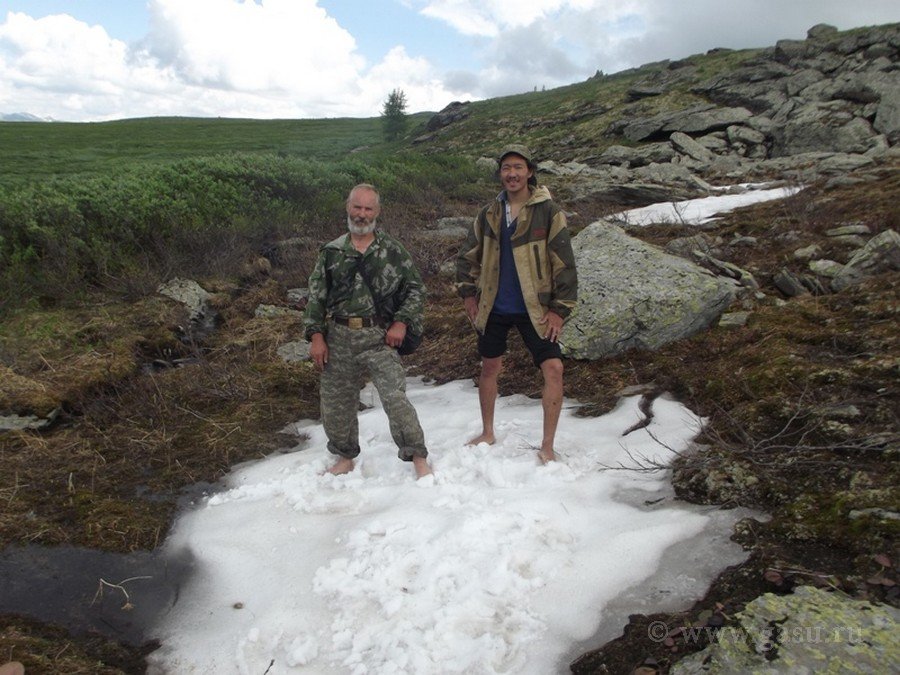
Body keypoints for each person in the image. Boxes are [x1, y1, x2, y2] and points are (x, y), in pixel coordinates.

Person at [456, 145, 578, 464]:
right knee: (489, 367)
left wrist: (559, 309)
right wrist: (469, 295)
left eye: (518, 167)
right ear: (500, 174)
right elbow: (468, 255)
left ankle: (547, 446)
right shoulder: (489, 214)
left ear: (530, 172)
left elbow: (564, 262)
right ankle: (487, 431)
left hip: (535, 309)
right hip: (494, 305)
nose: (512, 173)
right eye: (506, 168)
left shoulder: (548, 211)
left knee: (554, 368)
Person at [303, 183, 432, 478]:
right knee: (336, 404)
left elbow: (415, 289)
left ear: (377, 212)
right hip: (338, 338)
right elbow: (316, 298)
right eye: (357, 207)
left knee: (395, 398)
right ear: (348, 208)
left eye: (368, 209)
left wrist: (401, 322)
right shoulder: (331, 252)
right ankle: (345, 455)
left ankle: (417, 455)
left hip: (378, 337)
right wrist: (317, 337)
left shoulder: (392, 251)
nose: (361, 214)